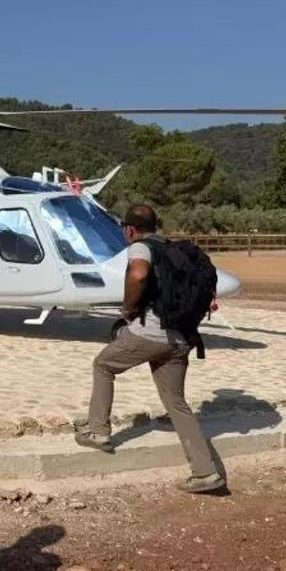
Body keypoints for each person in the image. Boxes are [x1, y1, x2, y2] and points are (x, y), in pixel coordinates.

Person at [75, 204, 225, 494]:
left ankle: (98, 432)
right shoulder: (173, 250)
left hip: (151, 333)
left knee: (103, 366)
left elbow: (140, 274)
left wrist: (128, 308)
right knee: (177, 403)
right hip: (182, 337)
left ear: (129, 229)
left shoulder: (140, 248)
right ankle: (206, 473)